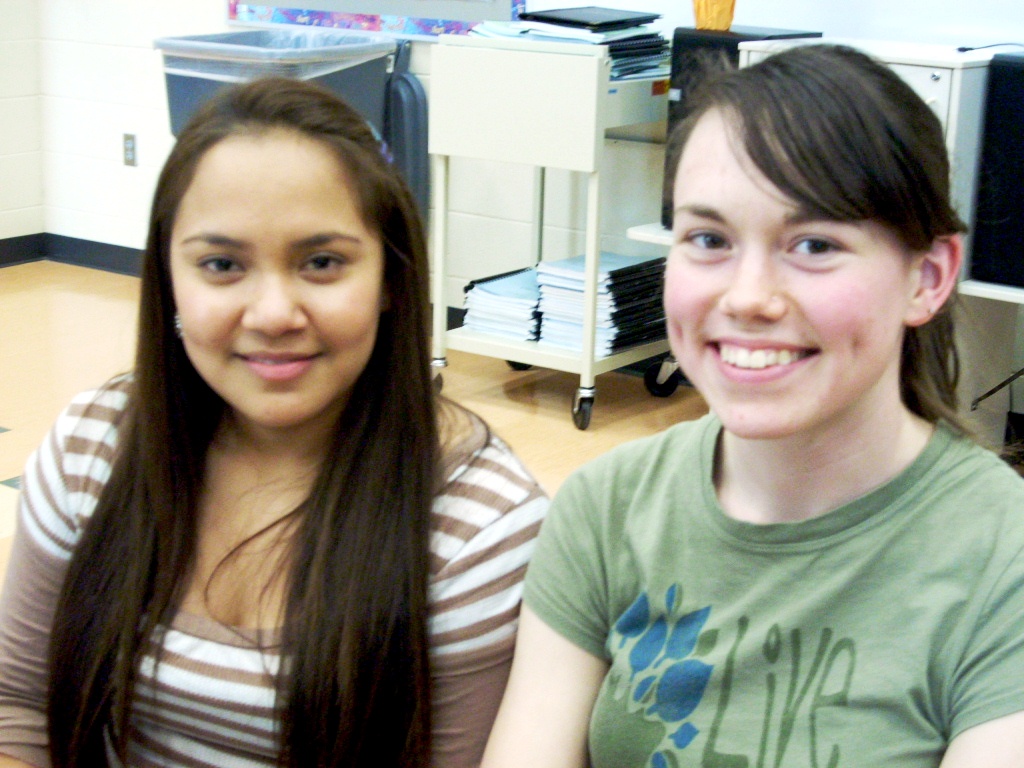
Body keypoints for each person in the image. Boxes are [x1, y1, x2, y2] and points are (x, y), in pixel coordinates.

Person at [481, 43, 1024, 767]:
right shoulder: (605, 509)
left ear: (928, 276)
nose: (746, 297)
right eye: (709, 238)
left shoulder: (1000, 558)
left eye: (814, 244)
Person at [0, 76, 547, 768]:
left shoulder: (479, 527)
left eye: (322, 263)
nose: (272, 314)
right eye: (222, 264)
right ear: (169, 280)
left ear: (390, 279)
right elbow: (18, 707)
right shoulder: (92, 450)